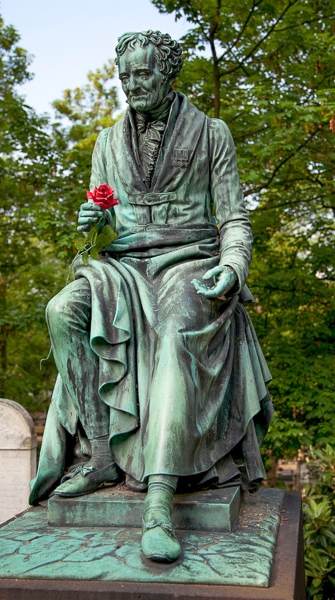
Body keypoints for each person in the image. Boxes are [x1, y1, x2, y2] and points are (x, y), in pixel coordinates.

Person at [29, 30, 273, 564]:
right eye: (126, 76)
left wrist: (232, 266)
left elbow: (233, 217)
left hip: (189, 262)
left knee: (175, 330)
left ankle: (159, 499)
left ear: (168, 72)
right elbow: (102, 239)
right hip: (122, 267)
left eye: (144, 74)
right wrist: (95, 223)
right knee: (62, 311)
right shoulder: (104, 143)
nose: (133, 85)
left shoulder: (212, 133)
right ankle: (99, 457)